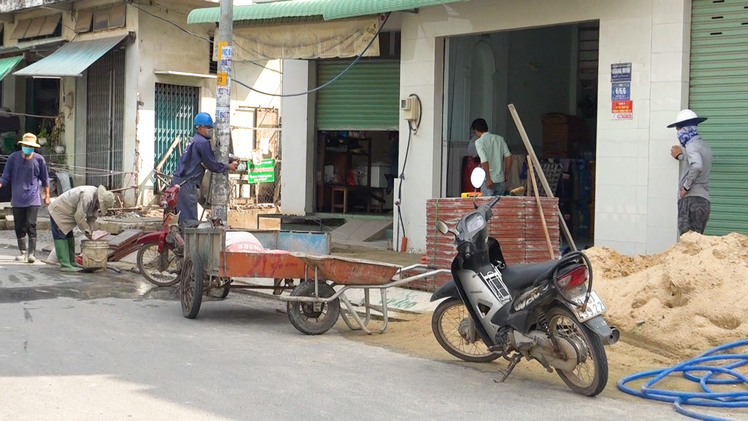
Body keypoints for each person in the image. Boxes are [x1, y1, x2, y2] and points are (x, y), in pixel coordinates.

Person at [172, 112, 238, 229]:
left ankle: (182, 245)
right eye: (208, 127)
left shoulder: (195, 140)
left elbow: (208, 157)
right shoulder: (202, 143)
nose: (210, 130)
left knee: (182, 221)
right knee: (189, 224)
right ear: (200, 127)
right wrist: (228, 167)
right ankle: (188, 247)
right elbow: (211, 164)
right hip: (186, 185)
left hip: (179, 183)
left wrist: (229, 159)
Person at [0, 133, 50, 263]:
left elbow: (45, 179)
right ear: (22, 145)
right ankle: (22, 252)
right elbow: (5, 177)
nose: (28, 148)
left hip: (33, 198)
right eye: (26, 146)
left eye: (31, 146)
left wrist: (47, 196)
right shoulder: (13, 158)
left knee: (31, 224)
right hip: (17, 198)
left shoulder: (39, 160)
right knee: (19, 226)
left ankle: (31, 254)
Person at [47, 185, 115, 272]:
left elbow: (92, 218)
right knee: (60, 235)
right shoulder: (88, 196)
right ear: (99, 199)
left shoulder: (95, 198)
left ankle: (72, 261)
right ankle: (65, 264)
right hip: (59, 210)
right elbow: (79, 216)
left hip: (68, 212)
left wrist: (91, 231)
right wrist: (86, 231)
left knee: (69, 235)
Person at [668, 109, 712, 236]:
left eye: (678, 129)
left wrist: (685, 187)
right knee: (697, 243)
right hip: (703, 201)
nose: (678, 133)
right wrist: (680, 157)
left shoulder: (691, 146)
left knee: (687, 244)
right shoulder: (704, 146)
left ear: (683, 129)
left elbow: (697, 166)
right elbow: (695, 162)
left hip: (691, 201)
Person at [472, 118, 512, 197]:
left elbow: (484, 161)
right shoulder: (500, 139)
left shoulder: (479, 142)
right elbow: (509, 157)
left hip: (488, 181)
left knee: (487, 206)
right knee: (498, 206)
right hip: (501, 180)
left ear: (476, 131)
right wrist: (506, 174)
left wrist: (488, 179)